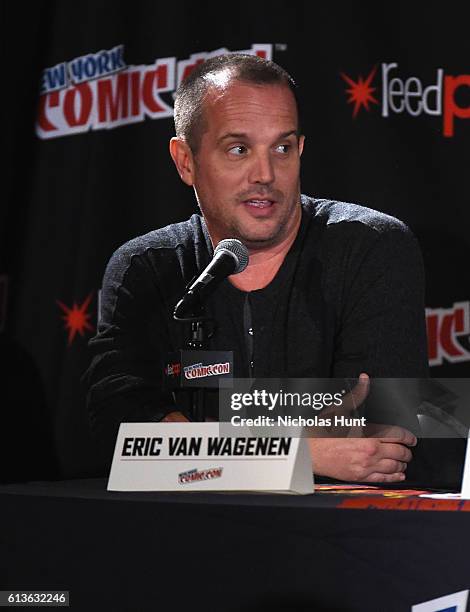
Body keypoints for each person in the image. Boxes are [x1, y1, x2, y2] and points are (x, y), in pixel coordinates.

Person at [84, 54, 429, 483]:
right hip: (179, 535)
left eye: (282, 148)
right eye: (239, 149)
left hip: (337, 535)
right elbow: (119, 439)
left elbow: (382, 437)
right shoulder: (144, 268)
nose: (265, 174)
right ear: (185, 160)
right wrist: (304, 449)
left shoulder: (371, 246)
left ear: (301, 150)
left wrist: (195, 439)